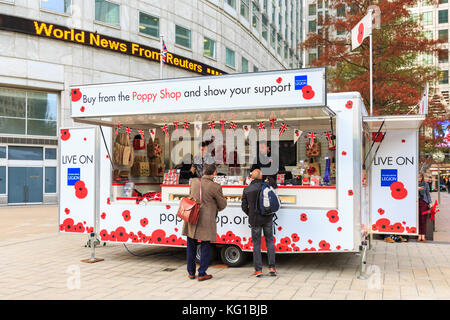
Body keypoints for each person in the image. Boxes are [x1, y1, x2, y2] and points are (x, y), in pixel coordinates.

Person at [182, 164, 227, 281]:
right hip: (206, 219)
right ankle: (202, 273)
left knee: (191, 243)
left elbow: (191, 196)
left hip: (192, 216)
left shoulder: (193, 181)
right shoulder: (215, 187)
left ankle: (191, 272)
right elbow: (222, 205)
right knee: (205, 245)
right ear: (214, 173)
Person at [241, 169, 276, 277]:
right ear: (261, 177)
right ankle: (272, 267)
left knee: (256, 243)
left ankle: (258, 270)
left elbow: (243, 207)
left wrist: (251, 214)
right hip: (267, 218)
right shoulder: (267, 186)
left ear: (252, 178)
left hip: (255, 219)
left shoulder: (247, 190)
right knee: (269, 241)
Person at [418, 173, 432, 242]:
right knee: (418, 219)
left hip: (424, 203)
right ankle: (419, 235)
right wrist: (416, 189)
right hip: (416, 203)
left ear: (422, 177)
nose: (419, 178)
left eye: (420, 177)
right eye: (418, 177)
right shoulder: (414, 184)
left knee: (423, 219)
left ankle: (423, 236)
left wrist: (430, 202)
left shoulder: (425, 184)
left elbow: (428, 194)